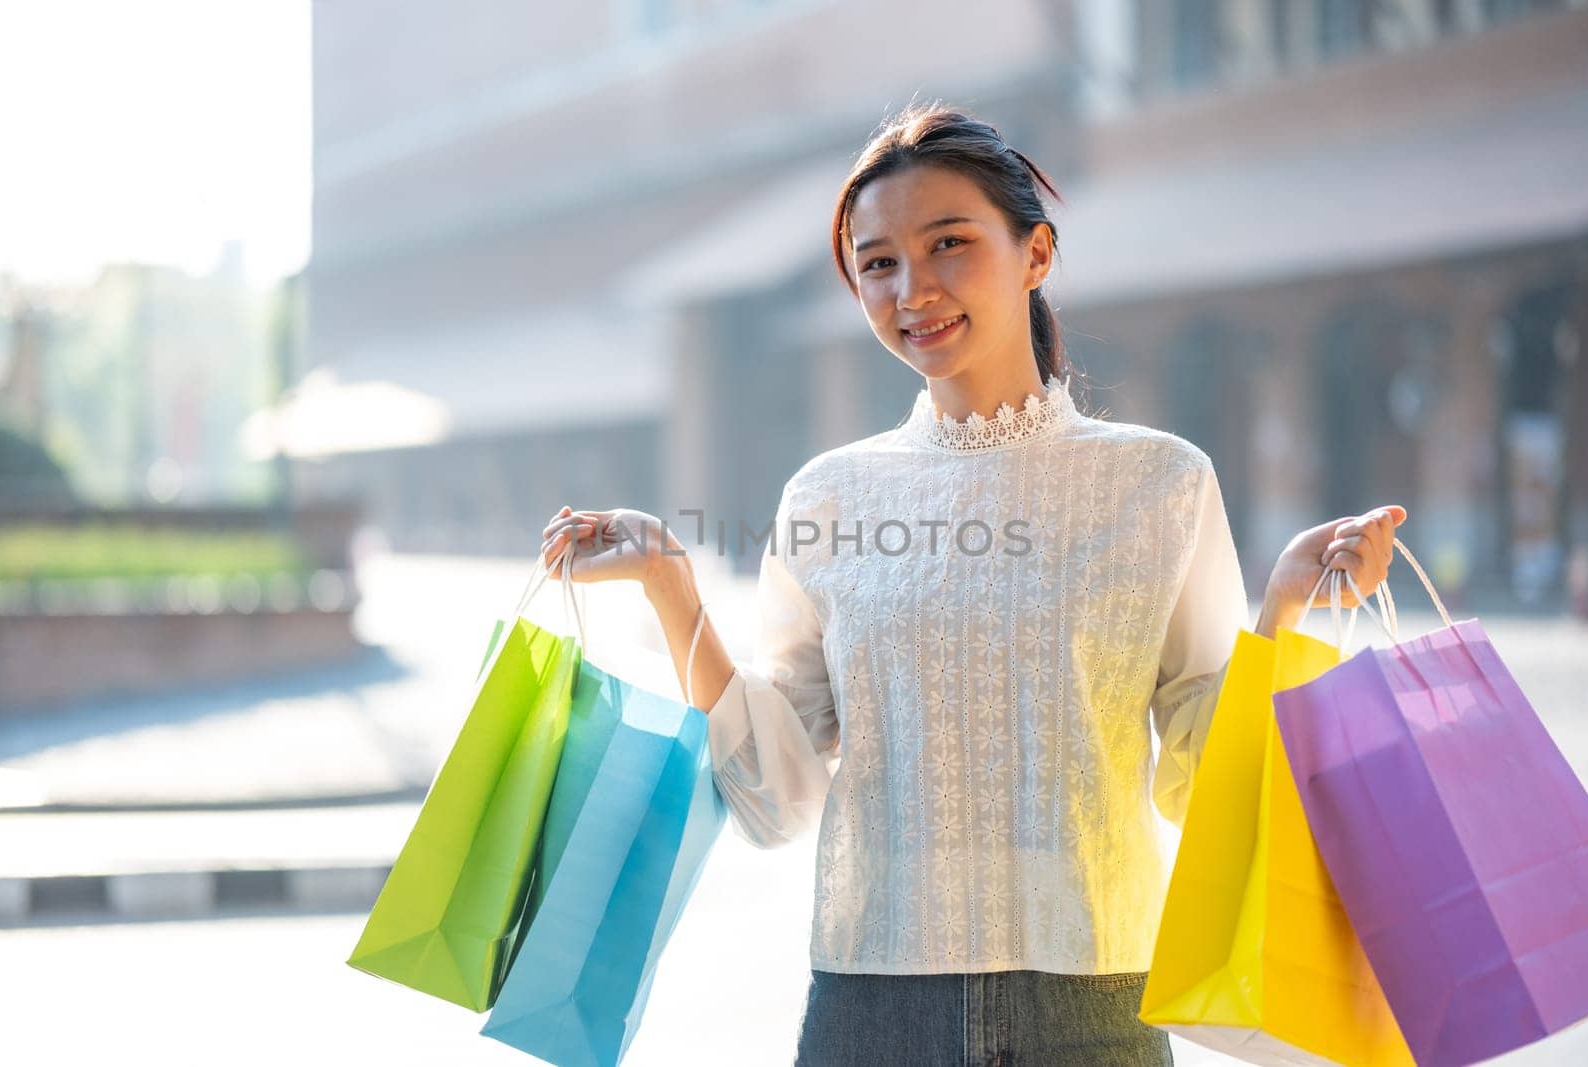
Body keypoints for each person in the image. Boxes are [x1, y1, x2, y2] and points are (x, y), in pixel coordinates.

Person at [538, 103, 1405, 1066]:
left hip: (1097, 1008)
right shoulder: (827, 497)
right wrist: (672, 589)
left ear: (1035, 254)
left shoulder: (1162, 482)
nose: (914, 288)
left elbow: (1204, 783)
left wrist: (1281, 609)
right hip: (870, 1010)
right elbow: (776, 797)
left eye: (948, 243)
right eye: (878, 263)